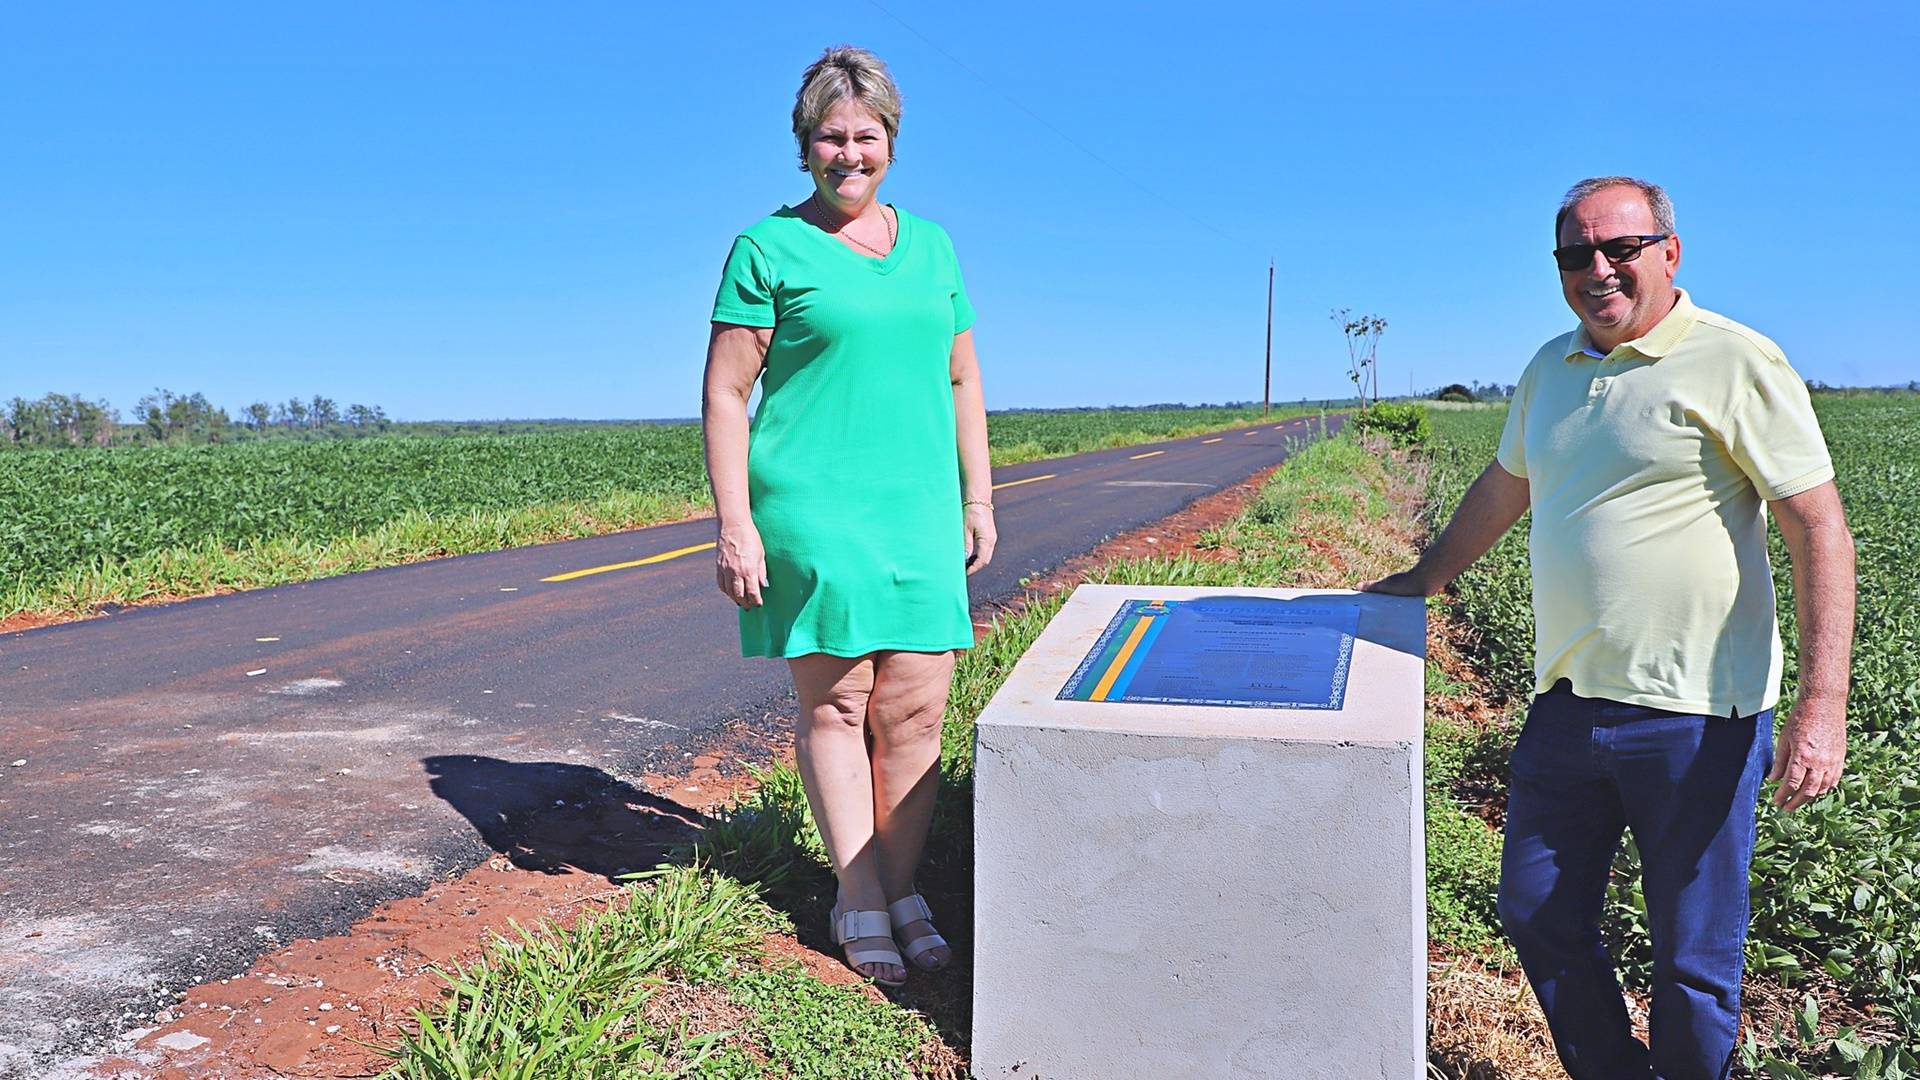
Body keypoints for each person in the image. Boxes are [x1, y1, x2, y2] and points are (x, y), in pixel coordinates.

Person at [1366, 176, 1856, 1079]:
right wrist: (1424, 578)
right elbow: (1504, 488)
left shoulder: (1735, 360)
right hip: (1566, 706)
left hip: (1698, 715)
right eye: (1575, 254)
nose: (1598, 269)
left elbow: (1816, 525)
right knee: (1537, 910)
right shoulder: (1550, 369)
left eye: (1620, 248)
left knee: (1692, 957)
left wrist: (1821, 705)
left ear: (1669, 252)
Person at [700, 45, 994, 988]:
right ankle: (859, 895)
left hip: (917, 509)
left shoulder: (935, 246)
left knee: (916, 708)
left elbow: (963, 376)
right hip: (813, 508)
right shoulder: (767, 248)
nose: (848, 154)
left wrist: (978, 495)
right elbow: (724, 392)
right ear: (804, 147)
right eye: (830, 138)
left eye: (865, 136)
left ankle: (900, 888)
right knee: (837, 703)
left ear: (892, 143)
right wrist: (735, 522)